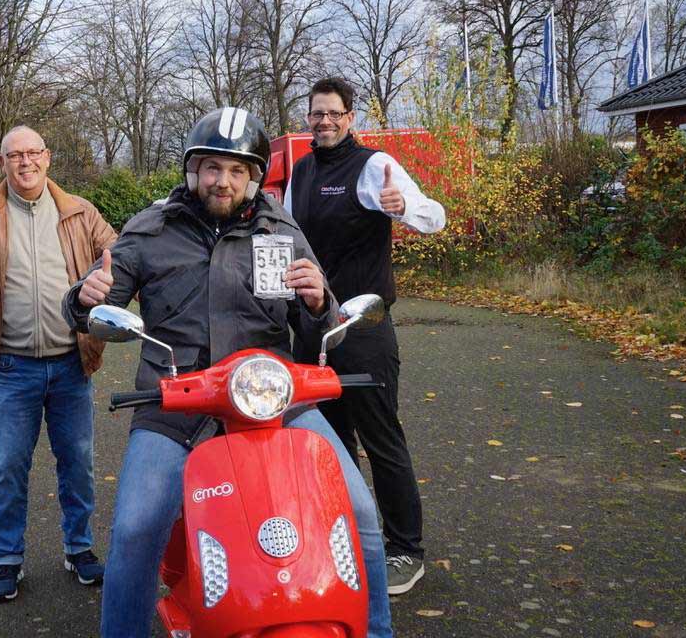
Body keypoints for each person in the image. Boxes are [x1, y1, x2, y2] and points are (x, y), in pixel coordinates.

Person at [64, 107, 394, 638]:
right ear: (194, 170)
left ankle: (376, 631)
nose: (223, 180)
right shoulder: (150, 230)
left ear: (254, 177)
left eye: (237, 170)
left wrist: (317, 307)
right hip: (176, 404)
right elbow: (93, 306)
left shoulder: (282, 230)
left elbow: (318, 327)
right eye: (213, 167)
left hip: (273, 401)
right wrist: (84, 299)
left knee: (359, 512)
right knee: (135, 529)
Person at [0, 125, 117, 602]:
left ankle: (79, 549)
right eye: (15, 155)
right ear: (3, 162)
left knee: (78, 464)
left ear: (48, 158)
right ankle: (7, 558)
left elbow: (119, 254)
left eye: (33, 153)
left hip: (72, 364)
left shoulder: (79, 212)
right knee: (7, 469)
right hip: (13, 369)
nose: (25, 162)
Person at [284, 77, 446, 595]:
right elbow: (287, 236)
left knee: (381, 439)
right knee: (328, 442)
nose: (324, 121)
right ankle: (347, 536)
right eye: (316, 114)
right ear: (307, 118)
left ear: (350, 117)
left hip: (365, 327)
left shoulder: (375, 165)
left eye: (334, 113)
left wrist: (404, 209)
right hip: (314, 329)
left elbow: (434, 217)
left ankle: (406, 551)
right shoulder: (302, 170)